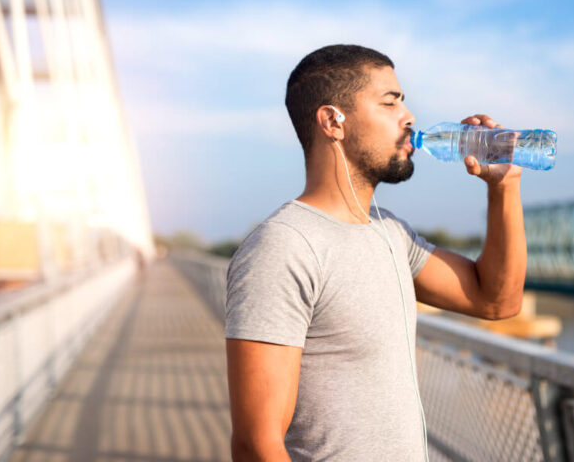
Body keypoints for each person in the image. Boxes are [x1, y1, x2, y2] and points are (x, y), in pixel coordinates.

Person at [225, 44, 527, 461]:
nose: (409, 118)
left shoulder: (391, 233)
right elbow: (256, 445)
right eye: (390, 103)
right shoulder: (283, 247)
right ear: (333, 121)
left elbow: (496, 300)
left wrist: (504, 186)